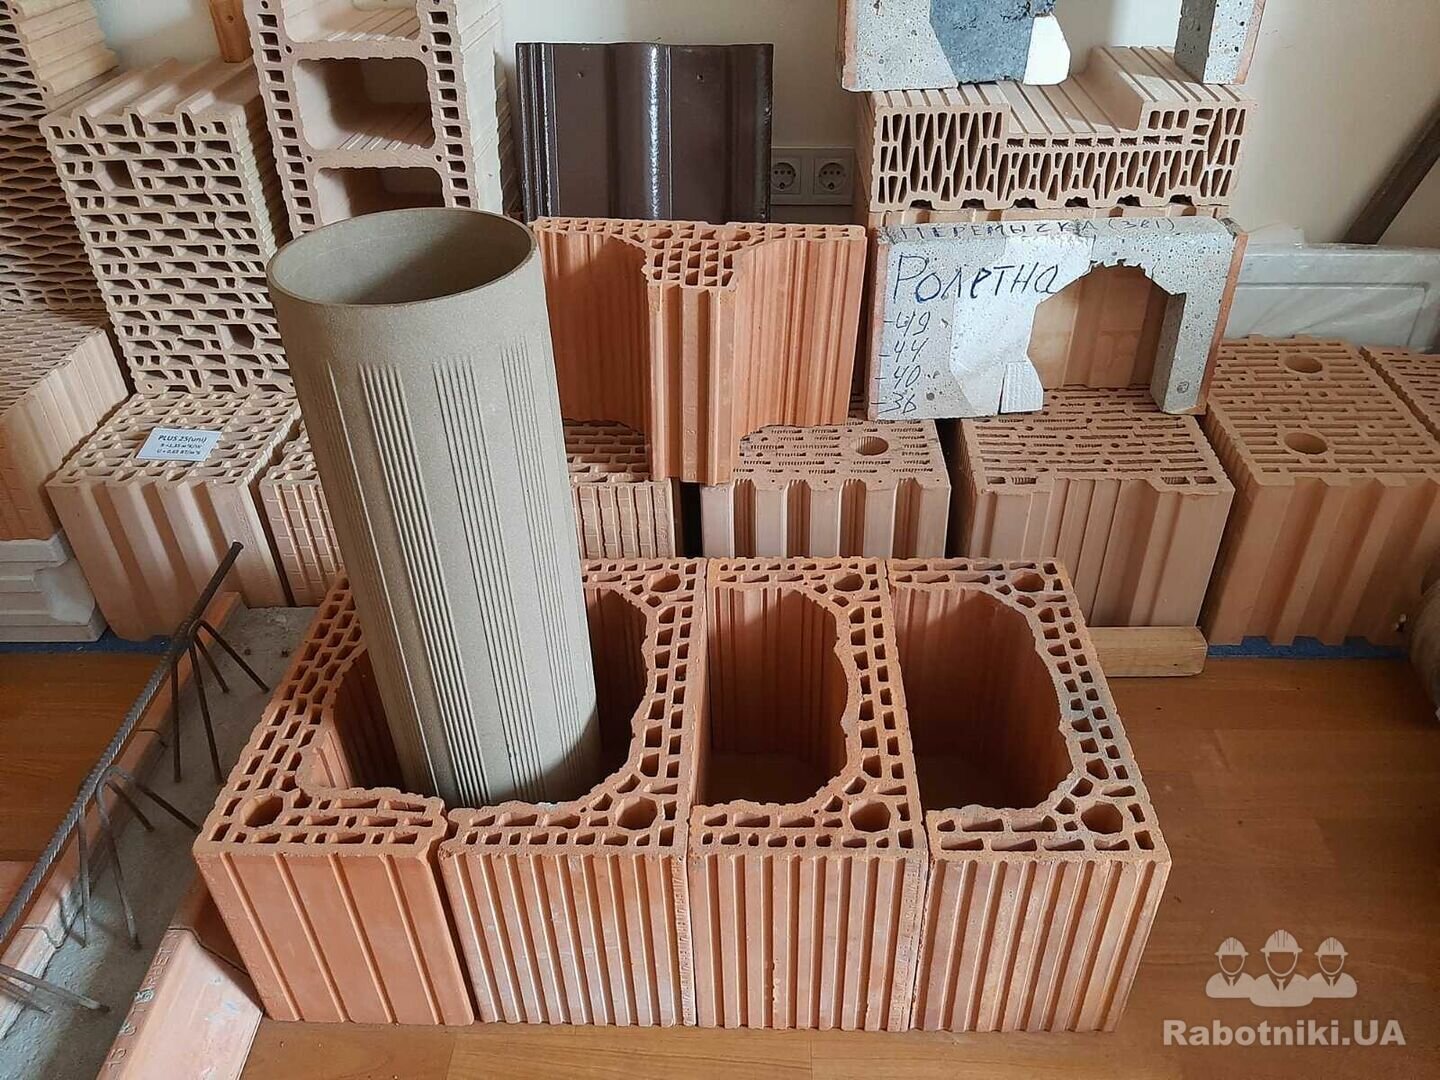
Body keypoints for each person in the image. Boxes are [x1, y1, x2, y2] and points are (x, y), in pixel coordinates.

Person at [1250, 929, 1314, 1007]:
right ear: (1267, 957)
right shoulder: (1259, 984)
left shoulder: (1303, 985)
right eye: (1274, 956)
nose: (1280, 962)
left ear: (1295, 957)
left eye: (1288, 957)